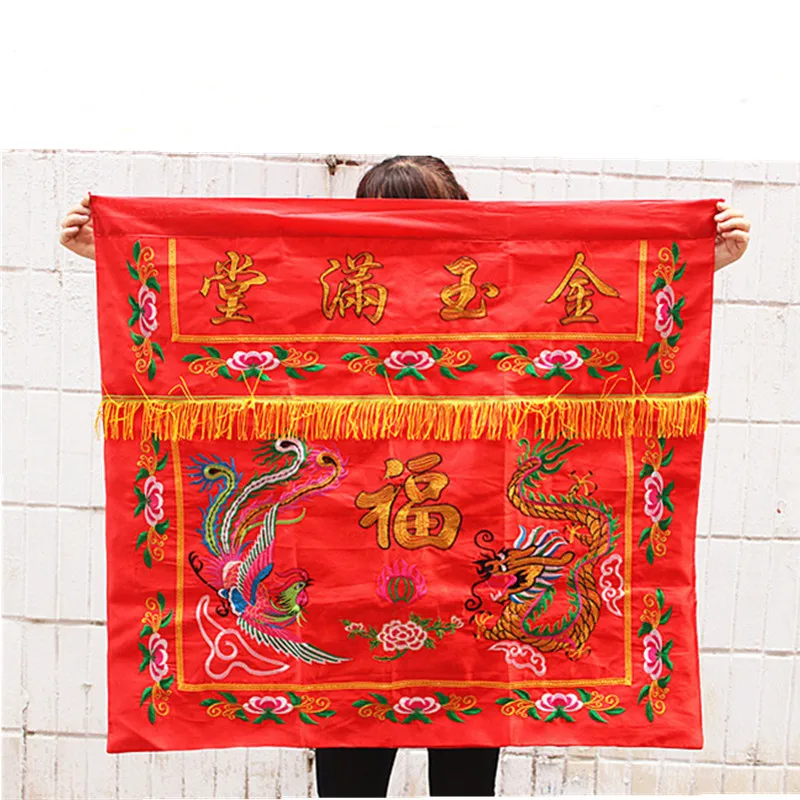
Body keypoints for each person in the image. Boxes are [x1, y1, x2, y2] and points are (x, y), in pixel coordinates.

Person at [59, 155, 751, 798]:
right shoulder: (327, 283)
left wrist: (699, 259)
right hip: (347, 610)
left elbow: (609, 313)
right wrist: (114, 254)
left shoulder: (503, 288)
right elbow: (198, 319)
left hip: (472, 608)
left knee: (463, 789)